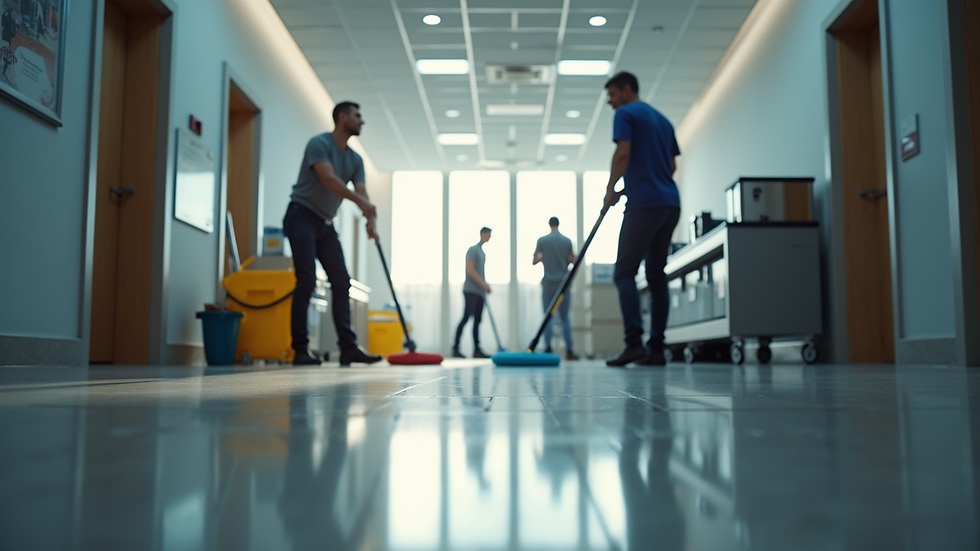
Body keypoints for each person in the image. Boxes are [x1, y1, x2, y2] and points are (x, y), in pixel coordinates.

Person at [283, 101, 382, 367]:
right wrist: (361, 204)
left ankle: (348, 348)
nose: (362, 121)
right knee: (306, 281)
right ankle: (301, 350)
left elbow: (362, 192)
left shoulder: (355, 159)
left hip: (325, 223)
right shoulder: (319, 144)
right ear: (342, 117)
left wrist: (370, 218)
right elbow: (328, 179)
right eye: (357, 116)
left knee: (342, 282)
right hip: (301, 215)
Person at [601, 72, 681, 367]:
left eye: (611, 95)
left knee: (624, 273)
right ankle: (657, 349)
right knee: (656, 275)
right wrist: (637, 184)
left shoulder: (626, 113)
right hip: (670, 203)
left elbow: (623, 152)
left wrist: (611, 190)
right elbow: (670, 165)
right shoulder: (663, 120)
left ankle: (634, 344)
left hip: (645, 205)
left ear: (626, 89)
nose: (610, 102)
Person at [533, 216, 578, 360]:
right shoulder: (566, 241)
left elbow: (534, 260)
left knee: (548, 316)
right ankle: (569, 352)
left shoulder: (542, 241)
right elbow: (574, 260)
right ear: (558, 224)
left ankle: (548, 349)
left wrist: (544, 257)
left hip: (548, 284)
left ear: (549, 224)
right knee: (565, 318)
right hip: (563, 284)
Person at [452, 227, 492, 359]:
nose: (490, 237)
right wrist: (483, 284)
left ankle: (477, 350)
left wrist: (484, 286)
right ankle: (455, 348)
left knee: (477, 321)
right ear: (483, 234)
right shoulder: (473, 250)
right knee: (466, 318)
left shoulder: (482, 252)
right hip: (470, 290)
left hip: (480, 292)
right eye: (489, 234)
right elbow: (470, 269)